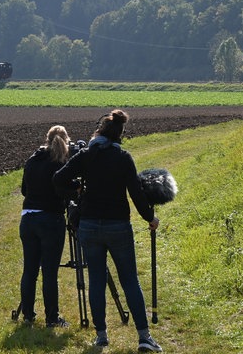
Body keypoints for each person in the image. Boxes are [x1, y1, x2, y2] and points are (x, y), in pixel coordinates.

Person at [53, 110, 162, 352]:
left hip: (90, 226)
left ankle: (101, 336)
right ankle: (144, 337)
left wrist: (78, 190)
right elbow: (135, 193)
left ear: (100, 131)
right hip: (118, 226)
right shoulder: (123, 157)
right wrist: (150, 217)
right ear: (120, 134)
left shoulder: (86, 155)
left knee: (96, 281)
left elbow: (58, 179)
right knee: (130, 280)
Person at [19, 125, 72, 328]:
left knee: (29, 270)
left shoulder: (32, 160)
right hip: (51, 220)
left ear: (46, 139)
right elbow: (64, 192)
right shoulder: (59, 163)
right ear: (66, 141)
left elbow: (24, 190)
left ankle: (28, 316)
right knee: (49, 272)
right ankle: (52, 318)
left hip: (28, 219)